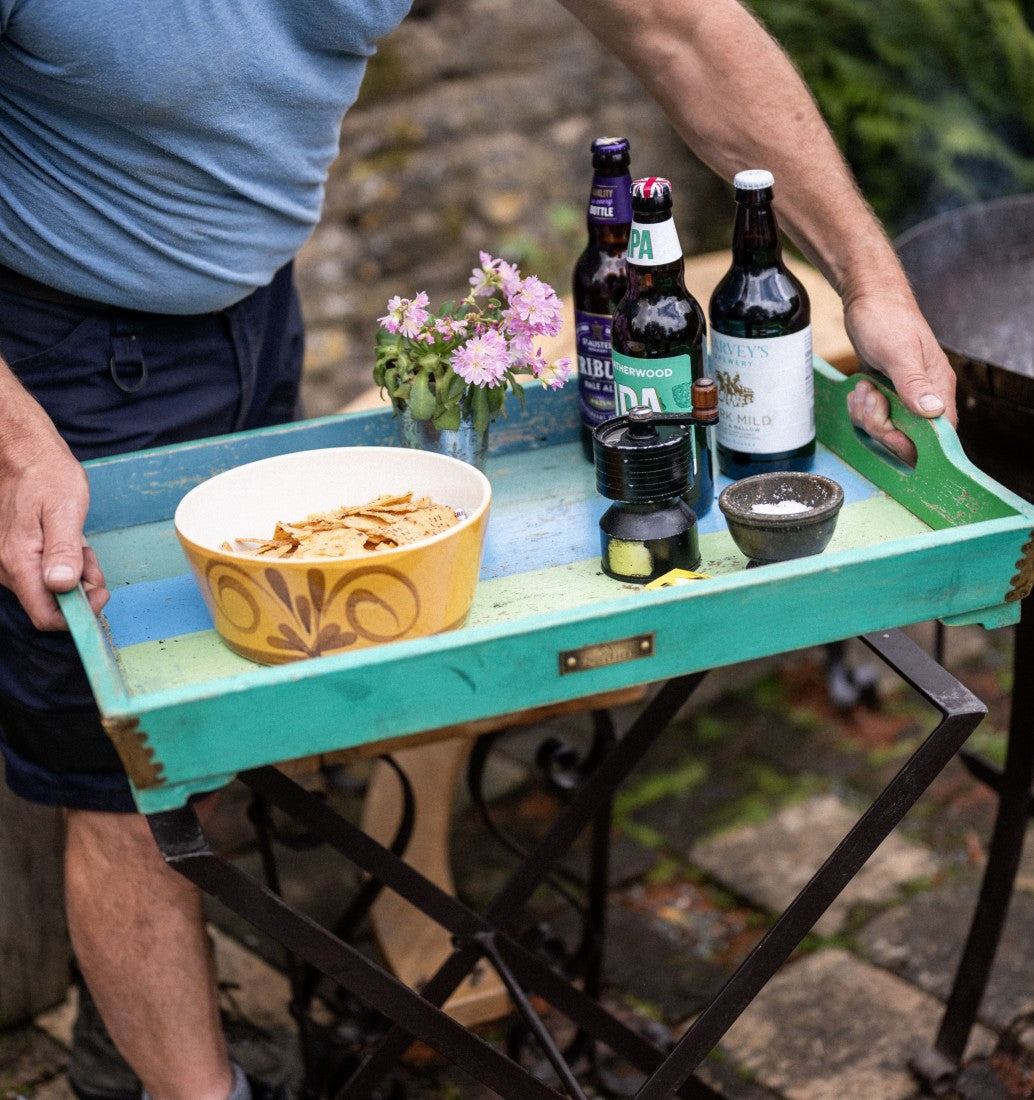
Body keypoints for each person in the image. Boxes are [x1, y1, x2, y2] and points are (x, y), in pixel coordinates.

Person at [0, 1, 956, 1097]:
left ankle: (144, 1032)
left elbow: (676, 24)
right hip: (50, 349)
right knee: (123, 772)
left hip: (253, 299)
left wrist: (871, 282)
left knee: (216, 714)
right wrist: (15, 442)